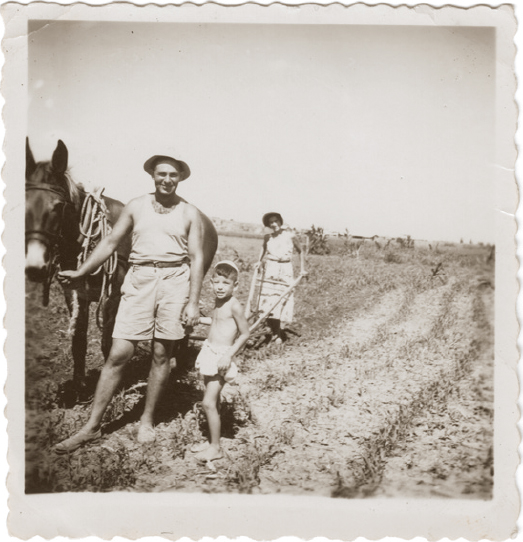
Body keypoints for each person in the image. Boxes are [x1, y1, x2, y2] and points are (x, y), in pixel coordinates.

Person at [54, 153, 206, 453]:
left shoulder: (190, 213)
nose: (166, 179)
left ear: (180, 178)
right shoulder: (136, 206)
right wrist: (82, 272)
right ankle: (91, 427)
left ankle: (147, 421)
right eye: (161, 174)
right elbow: (110, 243)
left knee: (162, 354)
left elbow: (197, 258)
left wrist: (193, 302)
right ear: (152, 175)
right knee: (119, 353)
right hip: (139, 280)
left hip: (174, 281)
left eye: (173, 175)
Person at [192, 260, 250, 462]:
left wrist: (229, 355)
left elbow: (244, 333)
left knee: (207, 402)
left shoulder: (235, 305)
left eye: (225, 283)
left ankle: (216, 447)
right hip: (210, 351)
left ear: (236, 285)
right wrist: (199, 320)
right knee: (213, 400)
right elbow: (217, 320)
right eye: (216, 282)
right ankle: (211, 440)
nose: (219, 287)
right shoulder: (219, 302)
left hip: (221, 356)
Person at [255, 212, 306, 344]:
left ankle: (277, 333)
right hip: (270, 269)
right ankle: (273, 331)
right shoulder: (268, 237)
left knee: (281, 299)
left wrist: (302, 269)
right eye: (271, 222)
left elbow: (301, 251)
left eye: (276, 221)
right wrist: (259, 261)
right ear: (268, 225)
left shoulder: (290, 236)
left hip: (285, 270)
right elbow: (263, 249)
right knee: (269, 299)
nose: (274, 224)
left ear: (280, 221)